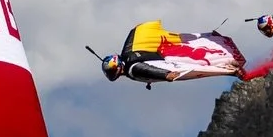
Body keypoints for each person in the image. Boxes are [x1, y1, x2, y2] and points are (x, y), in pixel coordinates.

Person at [96, 21, 247, 88]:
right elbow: (139, 29)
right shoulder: (129, 48)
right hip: (162, 53)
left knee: (198, 65)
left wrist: (166, 75)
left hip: (166, 62)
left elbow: (145, 69)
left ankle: (232, 70)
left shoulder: (132, 69)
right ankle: (216, 45)